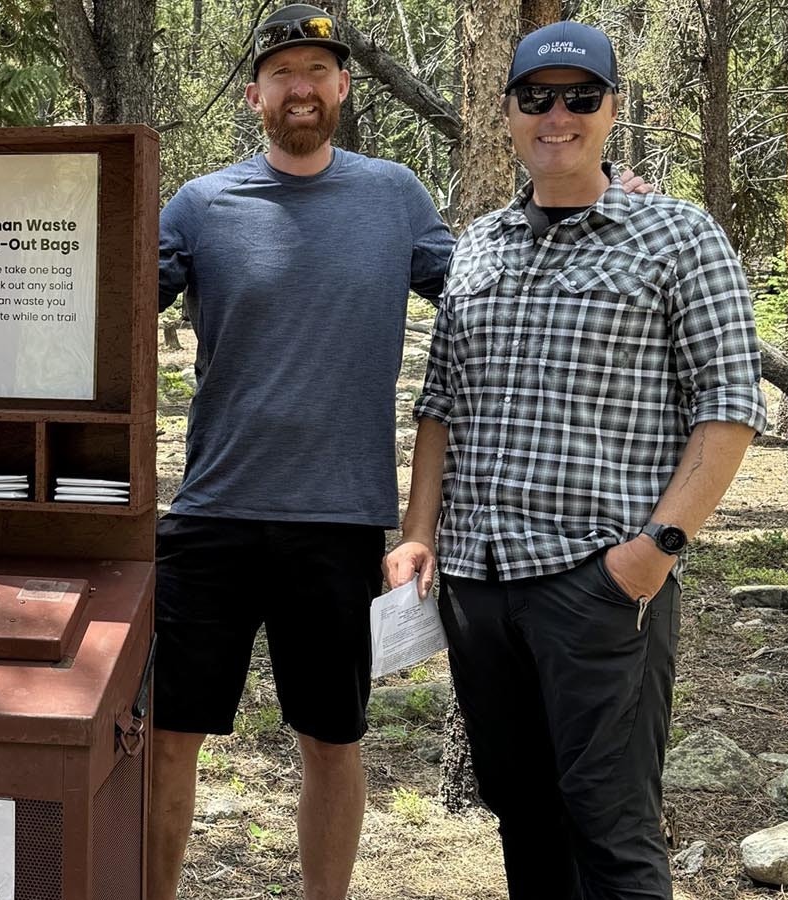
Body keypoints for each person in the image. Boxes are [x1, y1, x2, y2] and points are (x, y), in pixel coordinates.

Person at [384, 21, 766, 899]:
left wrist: (650, 556)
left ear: (612, 109)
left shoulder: (679, 238)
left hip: (598, 587)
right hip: (480, 589)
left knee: (613, 829)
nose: (558, 115)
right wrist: (416, 534)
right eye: (537, 97)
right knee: (523, 813)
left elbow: (728, 409)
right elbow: (441, 404)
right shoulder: (476, 247)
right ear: (511, 112)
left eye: (580, 96)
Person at [150, 7, 452, 899]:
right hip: (212, 515)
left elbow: (480, 291)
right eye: (283, 72)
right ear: (255, 95)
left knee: (332, 739)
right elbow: (108, 305)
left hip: (340, 518)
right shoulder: (201, 205)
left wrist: (596, 216)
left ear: (344, 87)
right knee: (170, 737)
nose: (302, 88)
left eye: (319, 69)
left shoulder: (393, 194)